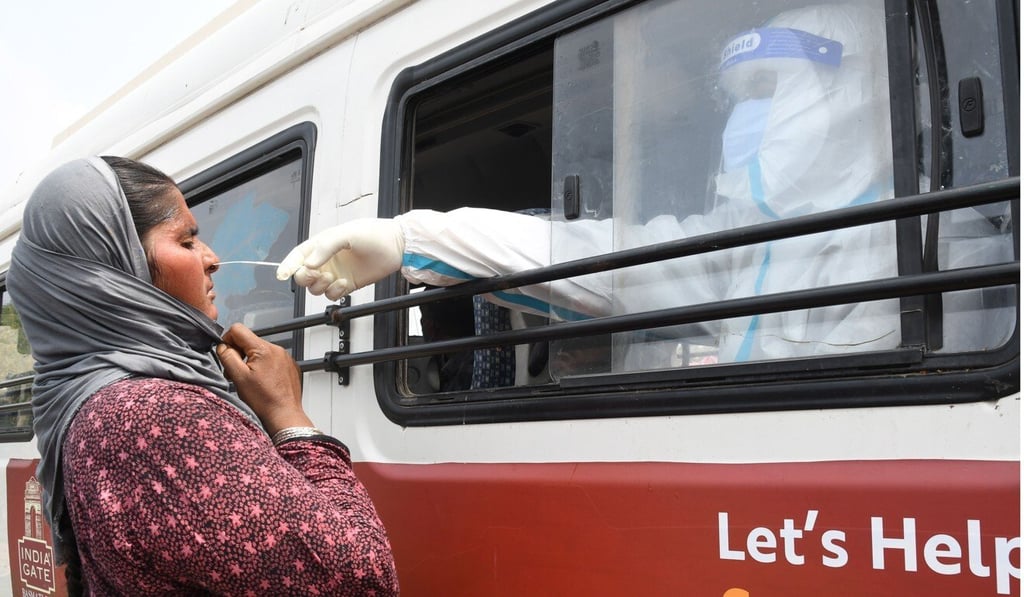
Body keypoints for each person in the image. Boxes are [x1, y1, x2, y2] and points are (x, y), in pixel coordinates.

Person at [277, 3, 907, 372]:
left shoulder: (936, 239)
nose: (748, 122)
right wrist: (407, 239)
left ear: (855, 93)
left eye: (770, 92)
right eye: (742, 102)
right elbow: (602, 264)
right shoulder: (750, 250)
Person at [6, 156, 398, 595]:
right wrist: (289, 417)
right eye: (187, 241)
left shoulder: (98, 399)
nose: (212, 259)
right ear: (115, 272)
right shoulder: (151, 418)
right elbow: (361, 580)